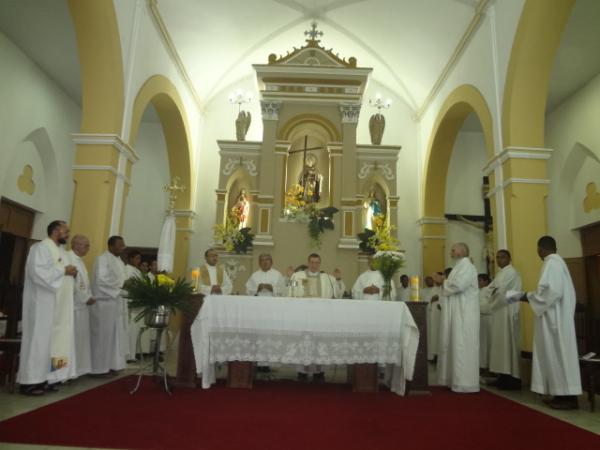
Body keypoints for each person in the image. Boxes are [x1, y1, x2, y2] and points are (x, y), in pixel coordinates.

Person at [520, 236, 581, 409]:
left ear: (540, 249)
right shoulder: (556, 263)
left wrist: (527, 296)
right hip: (555, 319)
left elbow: (551, 292)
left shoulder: (552, 263)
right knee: (556, 357)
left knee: (559, 356)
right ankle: (560, 395)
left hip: (556, 322)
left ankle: (568, 398)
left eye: (537, 249)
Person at [17, 221, 78, 395]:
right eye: (66, 231)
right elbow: (37, 273)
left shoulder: (62, 252)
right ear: (56, 231)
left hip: (58, 307)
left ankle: (49, 377)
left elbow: (65, 271)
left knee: (54, 342)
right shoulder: (40, 248)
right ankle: (29, 381)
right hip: (42, 304)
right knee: (38, 341)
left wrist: (72, 272)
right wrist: (64, 271)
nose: (68, 234)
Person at [288, 253, 345, 381]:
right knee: (303, 343)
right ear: (308, 263)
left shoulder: (328, 278)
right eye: (312, 262)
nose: (314, 265)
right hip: (303, 316)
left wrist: (339, 279)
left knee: (320, 344)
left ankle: (319, 372)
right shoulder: (298, 276)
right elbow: (291, 292)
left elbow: (338, 294)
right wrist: (290, 278)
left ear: (320, 264)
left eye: (317, 262)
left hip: (321, 317)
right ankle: (302, 372)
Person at [433, 243, 479, 393]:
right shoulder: (459, 267)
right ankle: (454, 380)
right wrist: (444, 283)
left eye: (453, 250)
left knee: (462, 346)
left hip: (465, 314)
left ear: (461, 252)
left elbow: (458, 286)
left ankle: (465, 382)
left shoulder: (467, 266)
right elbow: (452, 287)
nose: (450, 253)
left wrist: (442, 281)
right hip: (457, 312)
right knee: (455, 344)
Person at [90, 235, 128, 376]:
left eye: (123, 245)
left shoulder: (118, 261)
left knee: (113, 337)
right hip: (104, 304)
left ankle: (112, 365)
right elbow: (101, 280)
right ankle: (98, 369)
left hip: (115, 303)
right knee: (102, 338)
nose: (123, 247)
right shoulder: (102, 259)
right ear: (111, 246)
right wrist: (121, 286)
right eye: (120, 245)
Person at [488, 250, 522, 390]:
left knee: (508, 345)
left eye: (502, 257)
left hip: (508, 311)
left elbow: (501, 292)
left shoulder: (512, 273)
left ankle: (512, 379)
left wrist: (491, 298)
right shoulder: (500, 273)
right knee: (500, 345)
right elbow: (491, 289)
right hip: (499, 312)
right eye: (497, 257)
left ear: (509, 258)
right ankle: (502, 375)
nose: (499, 260)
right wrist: (492, 293)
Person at [69, 234, 95, 378]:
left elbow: (85, 283)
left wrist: (89, 296)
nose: (88, 248)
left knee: (80, 341)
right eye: (86, 245)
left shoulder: (80, 261)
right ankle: (69, 371)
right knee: (71, 341)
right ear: (76, 245)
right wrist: (86, 298)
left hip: (82, 307)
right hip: (73, 308)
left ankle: (77, 370)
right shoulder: (69, 259)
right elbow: (72, 283)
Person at [124, 250, 144, 360]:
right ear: (130, 259)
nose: (138, 261)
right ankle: (128, 355)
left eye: (139, 259)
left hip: (137, 303)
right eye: (136, 258)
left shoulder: (137, 271)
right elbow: (127, 284)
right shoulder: (127, 269)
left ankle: (133, 353)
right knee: (129, 329)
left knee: (135, 330)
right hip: (130, 303)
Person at [478, 273, 492, 371]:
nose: (478, 282)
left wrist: (476, 308)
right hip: (480, 320)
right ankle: (482, 365)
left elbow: (489, 305)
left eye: (480, 280)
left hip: (488, 320)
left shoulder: (489, 290)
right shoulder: (478, 291)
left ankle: (487, 365)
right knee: (482, 344)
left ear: (486, 281)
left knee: (488, 343)